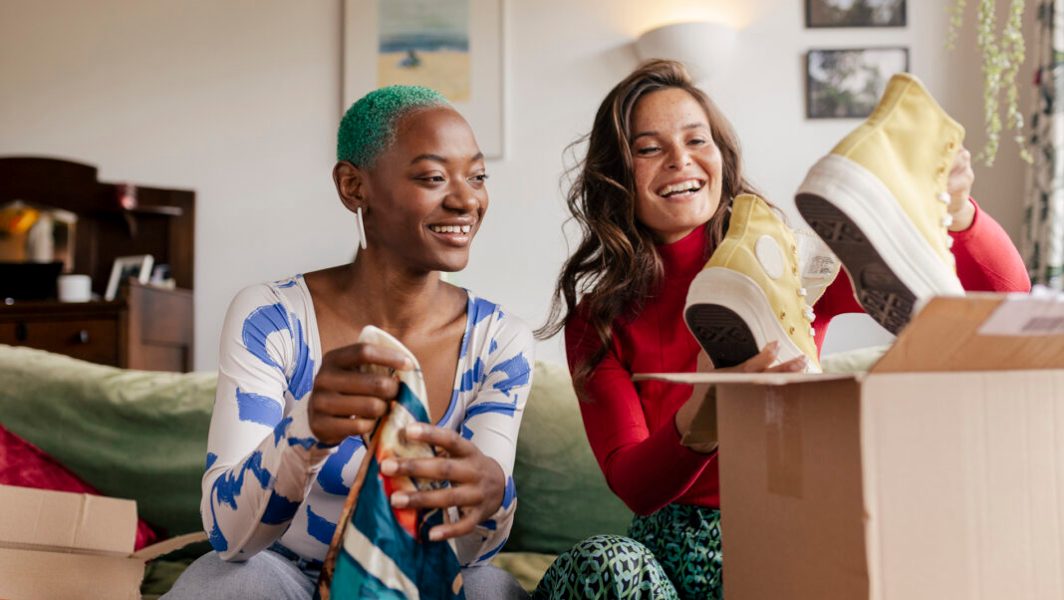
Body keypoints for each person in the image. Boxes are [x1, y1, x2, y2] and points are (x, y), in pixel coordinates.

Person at [532, 60, 1031, 600]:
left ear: (721, 155)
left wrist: (957, 213)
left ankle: (901, 208)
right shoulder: (598, 318)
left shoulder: (791, 266)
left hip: (793, 535)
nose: (680, 160)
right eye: (649, 148)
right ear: (618, 172)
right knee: (604, 561)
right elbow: (634, 486)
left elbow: (1006, 297)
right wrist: (707, 411)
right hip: (667, 563)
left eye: (696, 140)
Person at [164, 85, 533, 600]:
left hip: (421, 580)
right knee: (232, 584)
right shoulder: (271, 318)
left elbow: (469, 553)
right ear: (353, 186)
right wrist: (307, 428)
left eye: (476, 176)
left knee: (492, 588)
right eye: (432, 177)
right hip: (282, 575)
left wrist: (493, 497)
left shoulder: (500, 341)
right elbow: (229, 538)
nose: (466, 199)